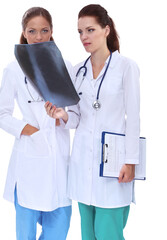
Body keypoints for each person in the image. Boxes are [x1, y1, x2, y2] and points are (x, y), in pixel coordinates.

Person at [45, 4, 140, 240]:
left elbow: (134, 117)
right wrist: (62, 115)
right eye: (80, 32)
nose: (84, 37)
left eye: (90, 30)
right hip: (82, 165)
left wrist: (131, 161)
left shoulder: (126, 67)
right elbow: (76, 117)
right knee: (88, 235)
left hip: (114, 165)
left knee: (108, 234)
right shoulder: (78, 71)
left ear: (106, 30)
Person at [0, 7, 72, 240]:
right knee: (26, 233)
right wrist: (29, 130)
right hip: (29, 161)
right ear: (24, 33)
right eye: (32, 31)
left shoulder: (66, 66)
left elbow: (76, 115)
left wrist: (62, 118)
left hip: (59, 162)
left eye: (44, 30)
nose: (39, 36)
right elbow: (2, 113)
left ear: (52, 32)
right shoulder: (13, 69)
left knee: (58, 231)